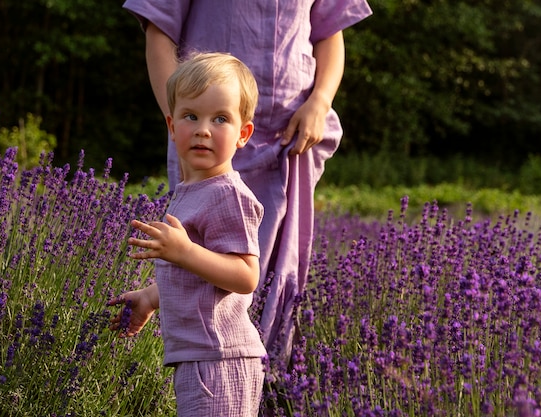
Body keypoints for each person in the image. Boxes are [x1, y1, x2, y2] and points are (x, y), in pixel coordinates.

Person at [121, 0, 373, 365]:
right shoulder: (201, 138)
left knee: (275, 272)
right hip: (213, 135)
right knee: (203, 248)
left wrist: (320, 100)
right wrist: (182, 119)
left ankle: (272, 383)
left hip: (290, 137)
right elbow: (159, 30)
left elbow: (329, 32)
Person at [109, 52, 266, 417]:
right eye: (191, 116)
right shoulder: (191, 191)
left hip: (221, 358)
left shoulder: (228, 193)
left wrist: (184, 252)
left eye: (221, 119)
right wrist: (151, 296)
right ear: (171, 124)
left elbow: (245, 276)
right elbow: (200, 280)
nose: (203, 129)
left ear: (243, 133)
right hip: (200, 357)